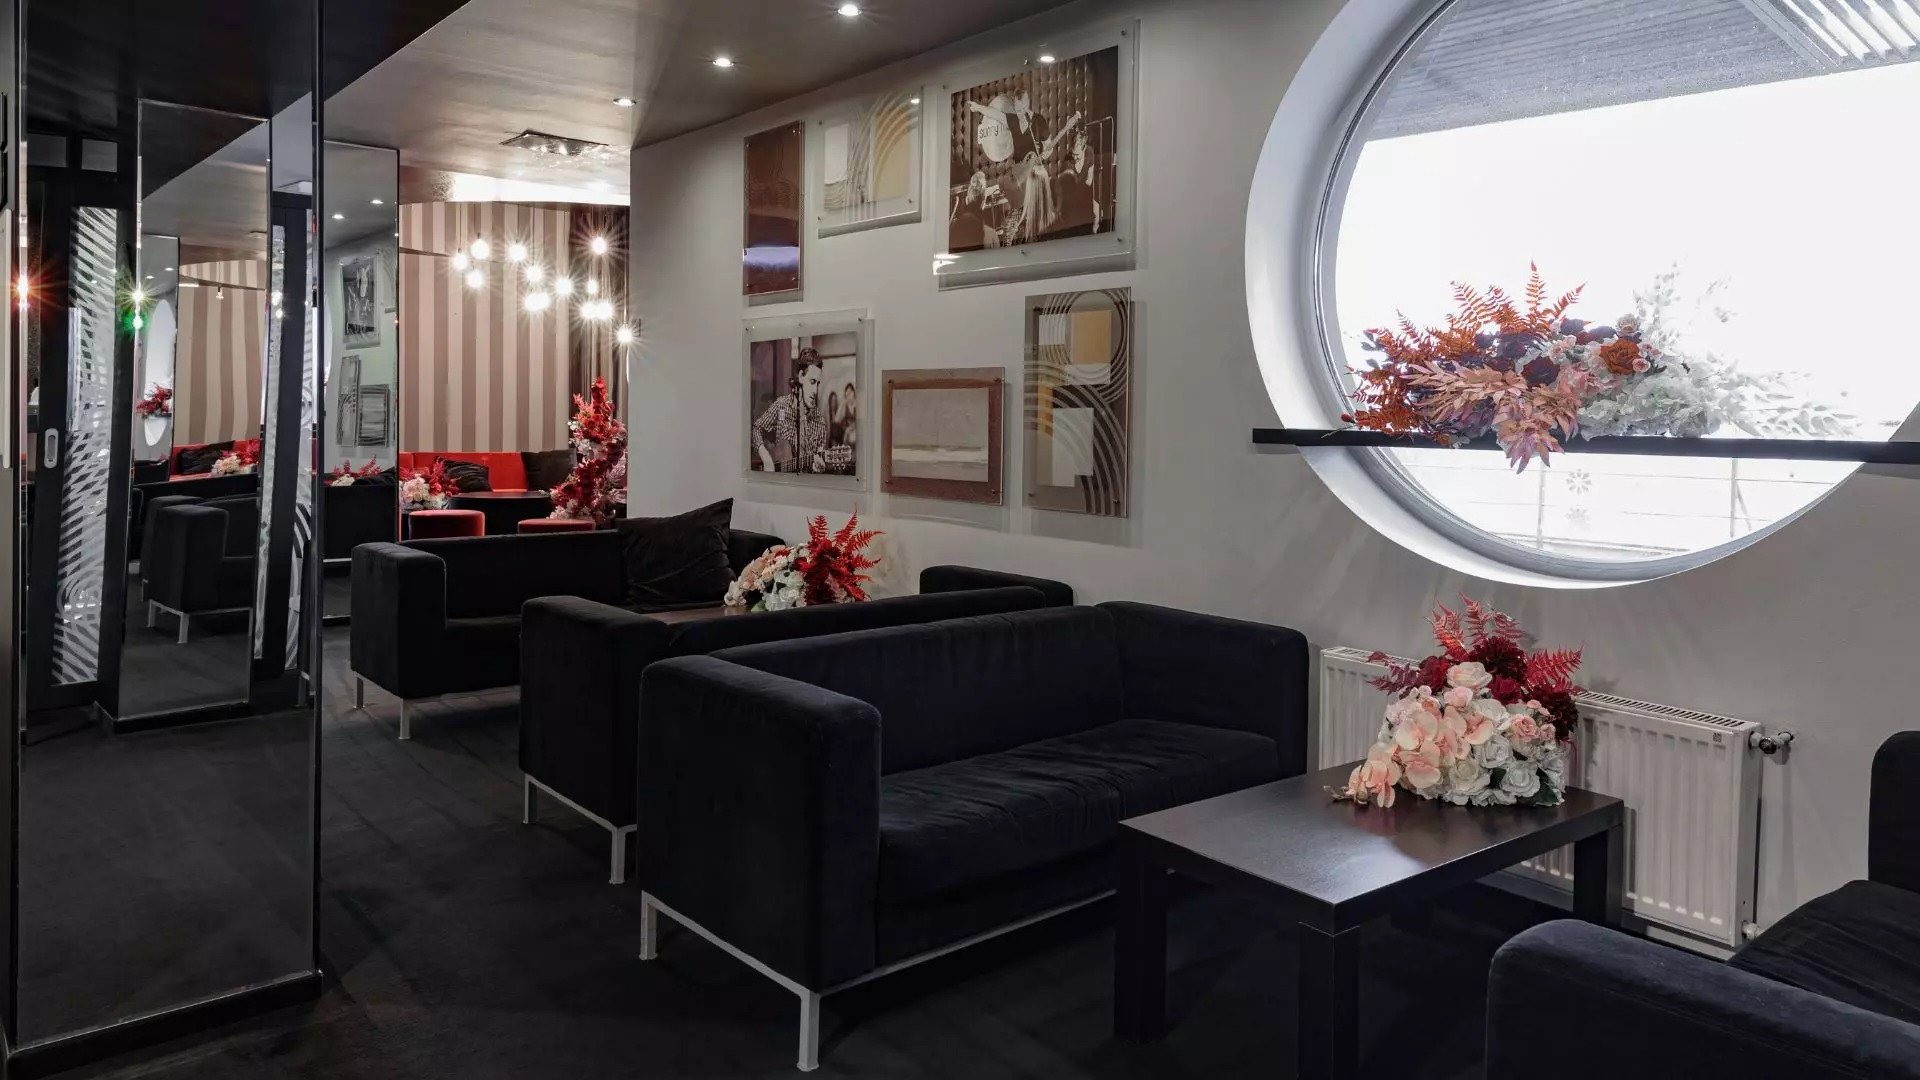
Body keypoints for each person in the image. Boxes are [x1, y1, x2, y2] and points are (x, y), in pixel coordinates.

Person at [751, 348, 854, 475]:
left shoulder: (819, 421)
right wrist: (766, 458)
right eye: (812, 382)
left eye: (817, 384)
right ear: (800, 376)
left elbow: (816, 461)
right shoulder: (781, 405)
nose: (815, 390)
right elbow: (756, 429)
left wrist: (817, 470)